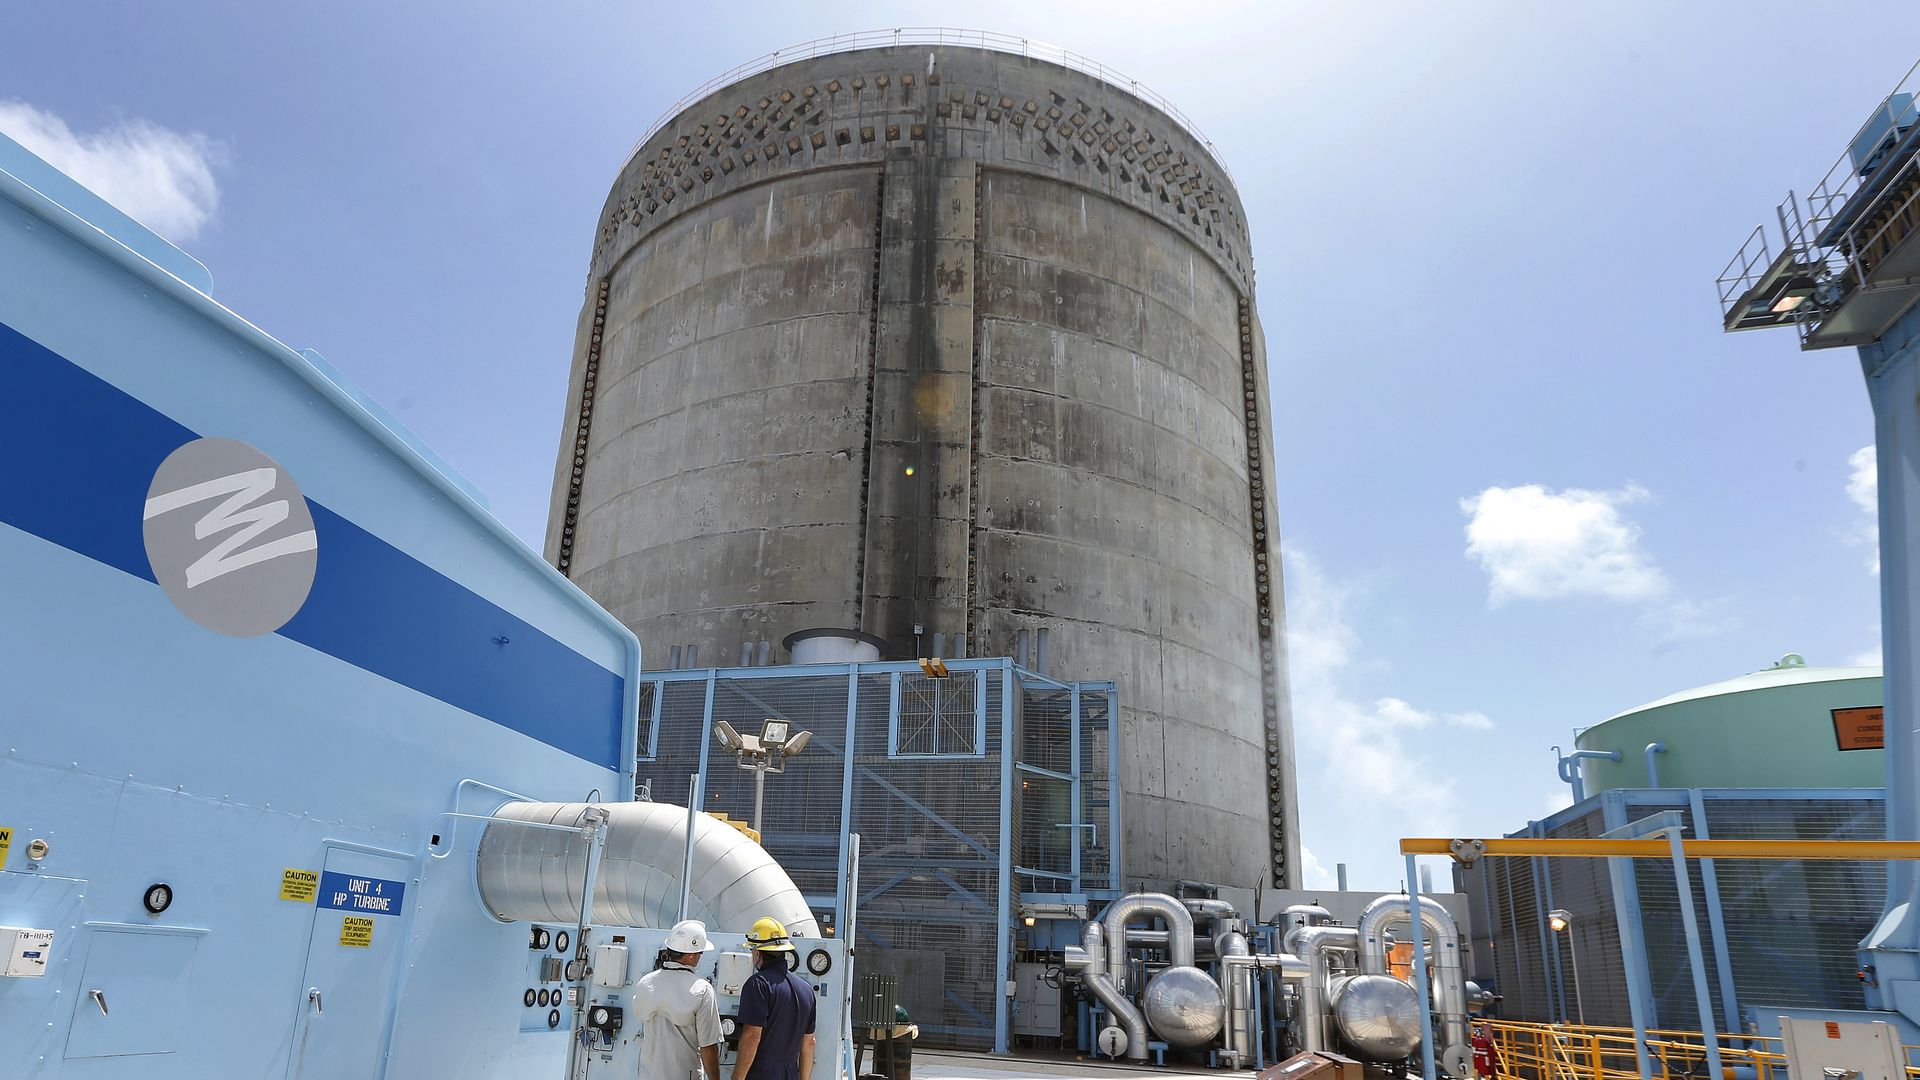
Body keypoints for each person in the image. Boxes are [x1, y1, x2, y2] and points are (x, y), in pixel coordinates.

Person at [632, 919, 724, 1080]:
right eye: (700, 953)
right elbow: (708, 1046)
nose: (699, 957)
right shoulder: (702, 990)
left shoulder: (645, 983)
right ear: (691, 955)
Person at [732, 916, 816, 1080]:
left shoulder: (758, 984)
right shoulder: (806, 990)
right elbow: (809, 1042)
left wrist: (737, 1077)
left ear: (757, 952)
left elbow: (752, 1036)